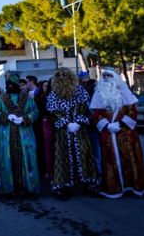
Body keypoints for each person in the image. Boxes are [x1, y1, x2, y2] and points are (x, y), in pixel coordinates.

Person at [91, 69, 144, 199]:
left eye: (109, 75)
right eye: (104, 76)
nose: (106, 78)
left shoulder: (126, 92)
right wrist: (107, 125)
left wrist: (121, 124)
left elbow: (132, 112)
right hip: (108, 135)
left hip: (126, 134)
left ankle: (135, 186)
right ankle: (115, 187)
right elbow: (96, 114)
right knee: (110, 160)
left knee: (131, 158)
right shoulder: (98, 94)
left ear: (116, 78)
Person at [46, 67, 99, 200]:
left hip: (80, 130)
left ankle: (89, 184)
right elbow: (52, 114)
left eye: (65, 76)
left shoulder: (80, 91)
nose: (63, 79)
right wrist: (66, 123)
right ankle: (63, 187)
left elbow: (87, 110)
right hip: (63, 132)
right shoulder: (53, 94)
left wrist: (79, 121)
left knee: (85, 154)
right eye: (60, 76)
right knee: (63, 157)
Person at [0, 80, 40, 195]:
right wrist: (7, 116)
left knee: (28, 159)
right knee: (7, 159)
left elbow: (35, 112)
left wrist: (25, 118)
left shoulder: (28, 98)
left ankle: (29, 187)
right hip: (7, 136)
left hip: (25, 136)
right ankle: (9, 187)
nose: (10, 86)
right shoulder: (0, 99)